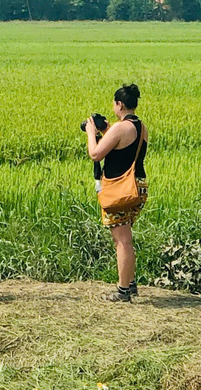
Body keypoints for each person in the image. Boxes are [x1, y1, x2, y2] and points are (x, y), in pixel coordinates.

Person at [83, 84, 148, 303]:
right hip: (137, 186)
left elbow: (95, 154)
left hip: (120, 190)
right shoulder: (140, 127)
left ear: (119, 104)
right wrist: (106, 131)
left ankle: (123, 291)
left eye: (114, 104)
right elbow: (123, 149)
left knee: (122, 240)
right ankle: (130, 283)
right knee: (125, 236)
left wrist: (91, 133)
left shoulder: (120, 128)